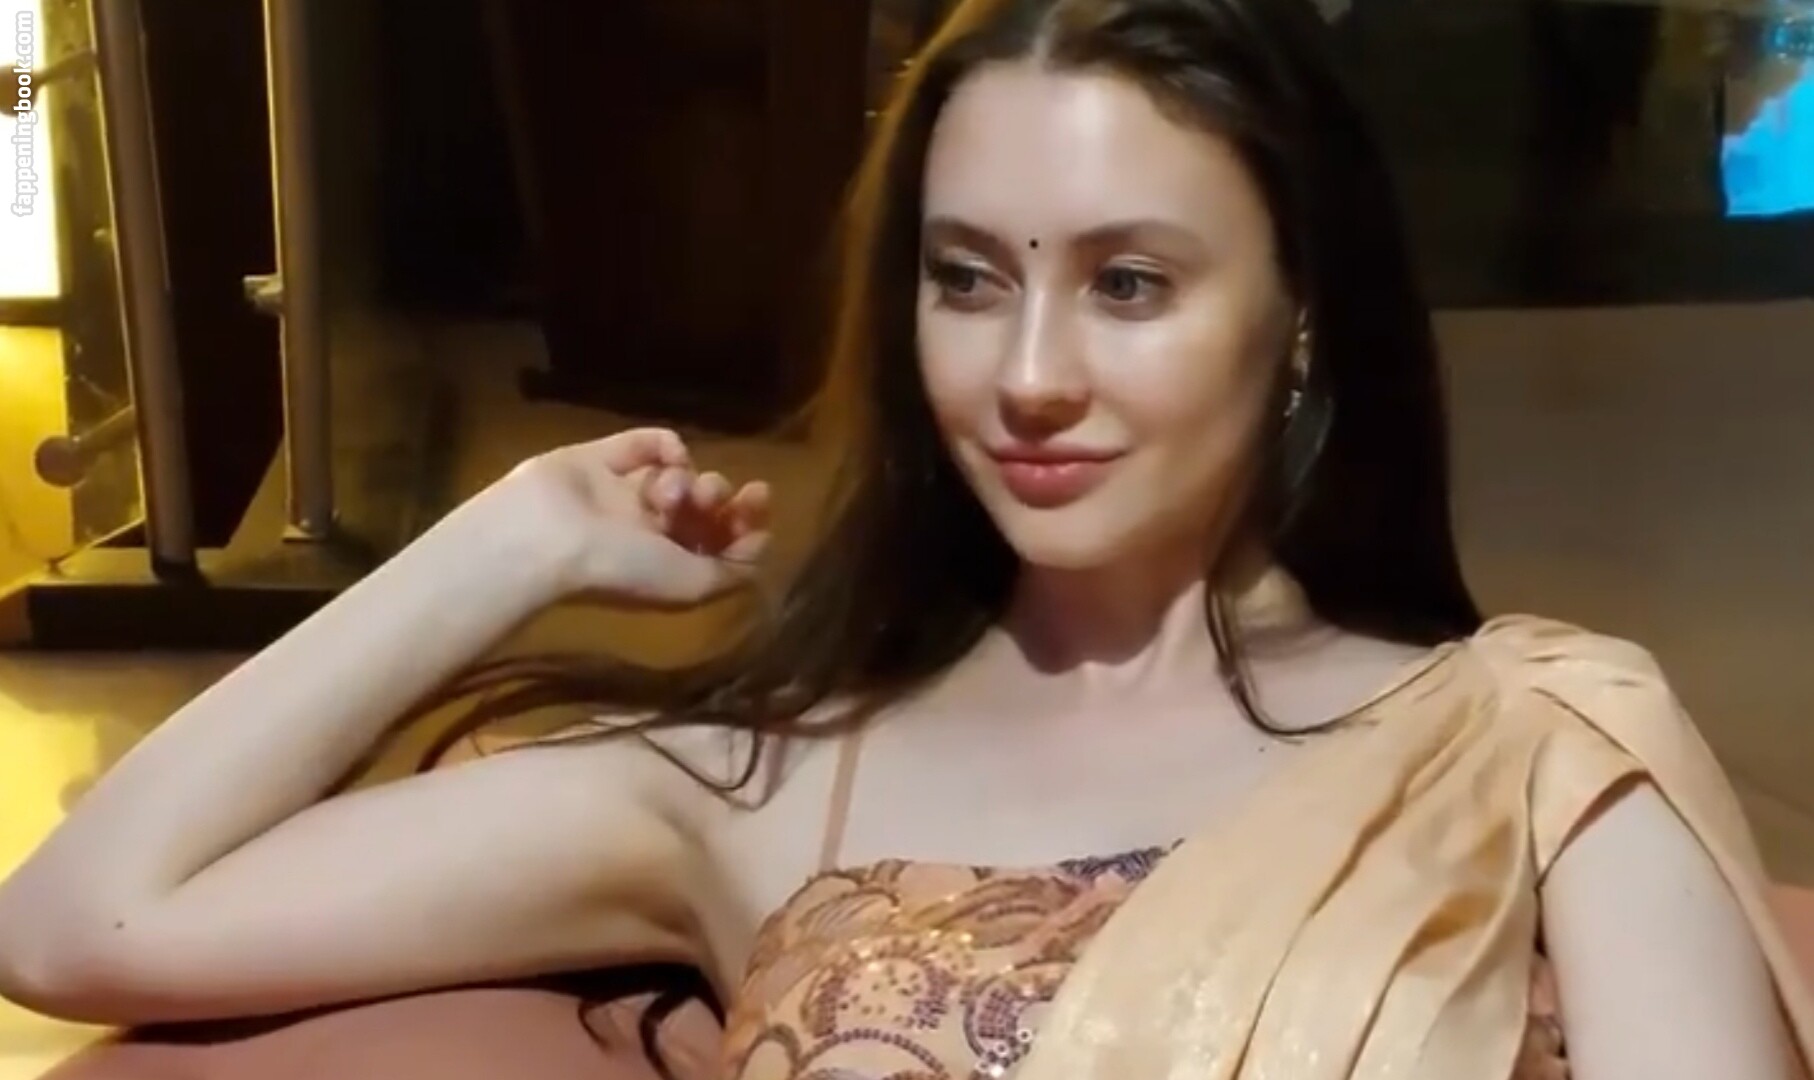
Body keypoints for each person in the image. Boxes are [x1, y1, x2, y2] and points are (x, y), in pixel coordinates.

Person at [2, 0, 1811, 1076]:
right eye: (965, 280)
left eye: (1127, 283)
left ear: (1299, 318)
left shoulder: (1531, 737)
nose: (1026, 375)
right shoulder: (759, 782)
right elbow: (83, 921)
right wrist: (503, 544)